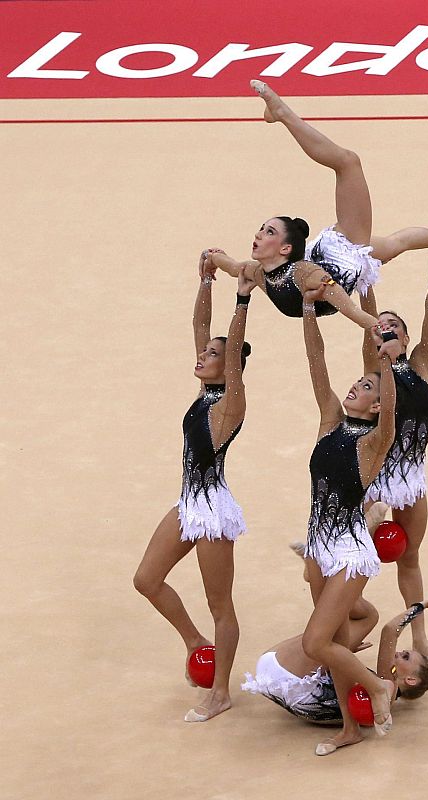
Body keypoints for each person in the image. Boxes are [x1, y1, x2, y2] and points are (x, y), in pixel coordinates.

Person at [201, 81, 428, 328]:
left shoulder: (278, 273)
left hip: (334, 252)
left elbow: (235, 266)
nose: (258, 234)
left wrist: (213, 258)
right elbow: (348, 309)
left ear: (286, 249)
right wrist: (378, 328)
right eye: (266, 231)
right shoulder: (288, 274)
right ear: (285, 249)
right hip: (338, 255)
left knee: (360, 183)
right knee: (360, 184)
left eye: (267, 231)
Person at [133, 254, 255, 720]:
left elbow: (233, 345)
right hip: (189, 502)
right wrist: (206, 281)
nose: (202, 357)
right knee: (146, 580)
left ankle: (220, 691)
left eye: (213, 356)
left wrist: (242, 298)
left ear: (233, 369)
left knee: (220, 604)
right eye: (203, 354)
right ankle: (193, 640)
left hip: (214, 512)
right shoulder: (207, 391)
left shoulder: (230, 403)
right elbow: (200, 323)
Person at [290, 284, 403, 755]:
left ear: (375, 405)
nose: (358, 385)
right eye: (358, 382)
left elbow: (392, 411)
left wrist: (387, 365)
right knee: (334, 639)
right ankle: (349, 730)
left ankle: (378, 687)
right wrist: (307, 312)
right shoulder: (330, 421)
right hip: (318, 545)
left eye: (367, 387)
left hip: (350, 551)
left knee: (317, 642)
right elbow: (317, 368)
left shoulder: (373, 442)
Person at [360, 243, 428, 667]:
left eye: (393, 326)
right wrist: (364, 277)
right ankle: (347, 622)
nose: (385, 329)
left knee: (411, 557)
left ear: (406, 336)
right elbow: (369, 315)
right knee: (354, 555)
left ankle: (419, 637)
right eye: (379, 325)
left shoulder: (420, 364)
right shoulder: (373, 362)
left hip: (411, 475)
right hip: (377, 473)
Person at [242, 599, 428, 756]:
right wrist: (342, 654)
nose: (399, 653)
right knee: (337, 630)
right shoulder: (377, 691)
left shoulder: (387, 688)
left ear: (410, 680)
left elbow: (389, 631)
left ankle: (332, 575)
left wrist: (420, 606)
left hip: (286, 679)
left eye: (406, 657)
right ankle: (333, 579)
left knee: (367, 617)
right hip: (281, 682)